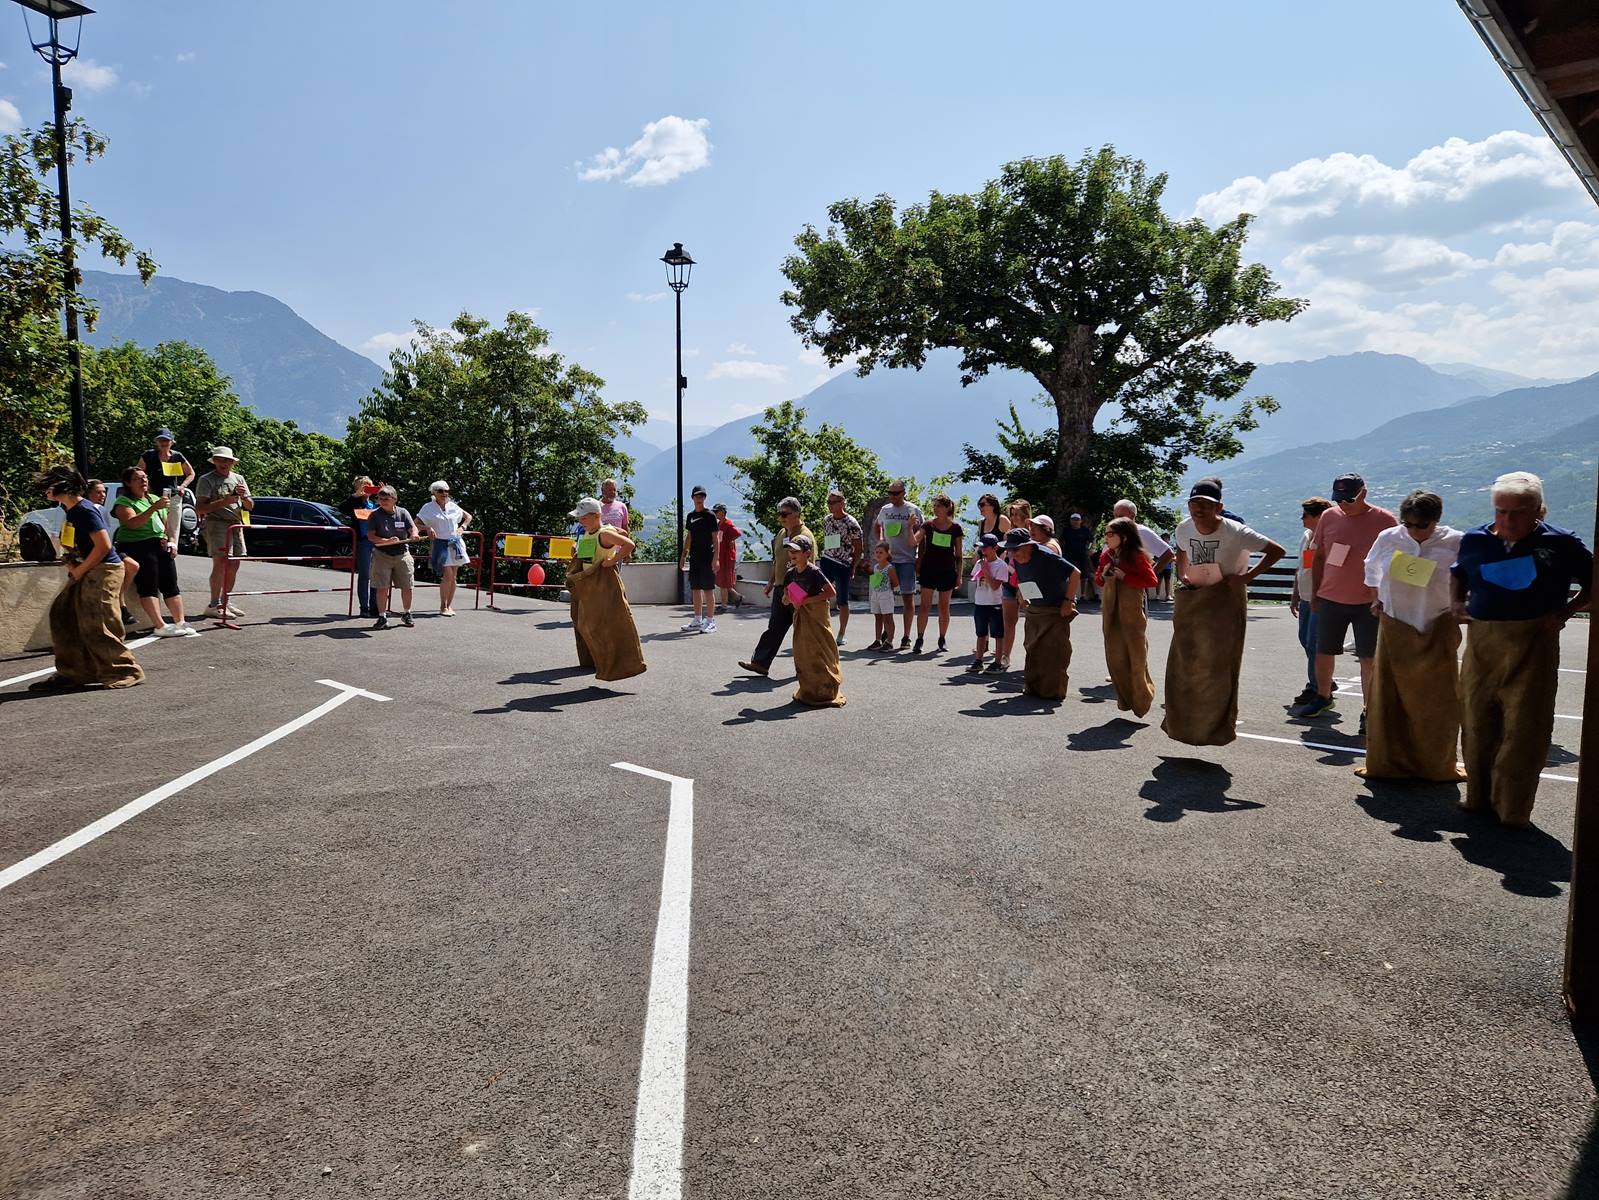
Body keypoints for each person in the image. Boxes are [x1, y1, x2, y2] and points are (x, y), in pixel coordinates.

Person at [1452, 471, 1591, 827]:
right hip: (1483, 640)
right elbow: (1458, 572)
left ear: (1538, 511)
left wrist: (1565, 612)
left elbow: (1593, 583)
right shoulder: (1475, 539)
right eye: (1501, 511)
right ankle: (1477, 798)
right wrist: (1456, 604)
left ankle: (1512, 809)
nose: (1507, 519)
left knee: (1525, 726)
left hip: (1534, 641)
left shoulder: (1562, 543)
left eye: (1517, 512)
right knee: (1477, 719)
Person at [1162, 479, 1284, 746]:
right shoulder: (1184, 528)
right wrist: (1182, 573)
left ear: (1219, 507)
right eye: (1194, 504)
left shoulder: (1237, 532)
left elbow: (1277, 551)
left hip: (1226, 596)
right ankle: (1181, 724)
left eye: (1205, 504)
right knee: (1185, 660)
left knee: (1219, 665)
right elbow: (1180, 549)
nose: (1198, 510)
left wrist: (1248, 577)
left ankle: (1215, 728)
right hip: (1195, 596)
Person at [1355, 490, 1465, 782]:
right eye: (1409, 524)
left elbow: (1471, 577)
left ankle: (1435, 764)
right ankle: (1387, 761)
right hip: (1396, 624)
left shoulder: (1456, 541)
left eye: (1421, 525)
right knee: (1390, 698)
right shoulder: (1390, 537)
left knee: (1436, 701)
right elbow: (1370, 568)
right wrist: (1375, 598)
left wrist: (1461, 606)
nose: (1414, 530)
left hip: (1436, 626)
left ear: (1436, 521)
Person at [1292, 473, 1397, 729]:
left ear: (1364, 493)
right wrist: (1314, 593)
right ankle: (1323, 696)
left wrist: (1387, 598)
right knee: (1323, 651)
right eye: (1338, 498)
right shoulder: (1329, 516)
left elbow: (1394, 560)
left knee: (1368, 658)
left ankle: (1369, 709)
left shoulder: (1385, 520)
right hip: (1330, 597)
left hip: (1368, 602)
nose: (1343, 504)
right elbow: (1318, 557)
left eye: (1348, 498)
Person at [28, 466, 143, 690]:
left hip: (103, 570)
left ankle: (124, 670)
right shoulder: (72, 510)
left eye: (50, 485)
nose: (46, 491)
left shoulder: (85, 510)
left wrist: (79, 571)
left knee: (98, 622)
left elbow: (104, 545)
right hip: (88, 569)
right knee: (64, 616)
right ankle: (75, 672)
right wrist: (72, 561)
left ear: (62, 487)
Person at [111, 466, 198, 637]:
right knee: (148, 585)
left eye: (145, 477)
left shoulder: (154, 498)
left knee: (171, 584)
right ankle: (159, 625)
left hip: (160, 543)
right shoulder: (123, 502)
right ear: (128, 483)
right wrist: (153, 508)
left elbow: (166, 524)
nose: (143, 481)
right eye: (137, 478)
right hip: (138, 545)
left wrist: (172, 542)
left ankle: (180, 621)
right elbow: (132, 523)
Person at [566, 496, 646, 681]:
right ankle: (596, 660)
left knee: (607, 625)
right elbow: (591, 552)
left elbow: (628, 544)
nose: (580, 521)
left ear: (596, 516)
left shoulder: (603, 533)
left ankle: (620, 665)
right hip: (588, 582)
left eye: (583, 517)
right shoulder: (589, 531)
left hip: (603, 583)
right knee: (584, 623)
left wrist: (613, 560)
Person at [738, 497, 816, 677]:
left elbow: (808, 566)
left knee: (802, 630)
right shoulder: (782, 534)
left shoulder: (804, 536)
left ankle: (807, 668)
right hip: (782, 586)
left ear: (796, 514)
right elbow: (778, 561)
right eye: (779, 514)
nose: (780, 518)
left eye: (784, 514)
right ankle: (760, 663)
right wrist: (771, 582)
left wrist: (796, 592)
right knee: (775, 627)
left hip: (798, 588)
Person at [1004, 527, 1078, 701]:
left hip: (1055, 609)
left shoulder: (1047, 556)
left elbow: (1075, 573)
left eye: (1017, 549)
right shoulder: (1017, 559)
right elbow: (1022, 578)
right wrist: (1023, 596)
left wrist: (1068, 601)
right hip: (1035, 609)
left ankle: (1054, 691)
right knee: (1032, 649)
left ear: (1028, 546)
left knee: (1054, 651)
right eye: (1011, 550)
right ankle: (1033, 688)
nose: (1014, 554)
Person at [1095, 516, 1158, 717]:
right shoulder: (1106, 555)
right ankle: (1125, 698)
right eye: (1105, 534)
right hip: (1111, 612)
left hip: (1132, 613)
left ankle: (1142, 697)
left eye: (1110, 534)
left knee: (1137, 656)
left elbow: (1151, 580)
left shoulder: (1137, 555)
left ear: (1124, 536)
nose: (1106, 538)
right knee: (1115, 656)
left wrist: (1126, 577)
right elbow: (1099, 580)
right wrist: (1105, 574)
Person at [782, 533, 846, 707]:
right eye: (790, 551)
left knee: (822, 650)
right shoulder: (789, 574)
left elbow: (831, 592)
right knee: (804, 652)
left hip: (817, 616)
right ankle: (809, 690)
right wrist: (787, 599)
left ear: (807, 553)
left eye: (796, 551)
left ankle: (826, 690)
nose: (792, 554)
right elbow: (786, 595)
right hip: (801, 616)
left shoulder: (814, 572)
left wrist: (807, 601)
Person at [193, 447, 254, 619]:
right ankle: (214, 604)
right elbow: (200, 508)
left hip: (236, 523)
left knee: (234, 564)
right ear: (214, 461)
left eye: (226, 460)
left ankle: (225, 600)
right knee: (220, 562)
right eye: (219, 460)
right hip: (216, 523)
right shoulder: (206, 479)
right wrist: (224, 502)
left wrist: (244, 497)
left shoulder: (238, 479)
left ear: (233, 463)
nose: (223, 463)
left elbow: (250, 506)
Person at [1288, 497, 1334, 708]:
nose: (1301, 518)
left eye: (1305, 514)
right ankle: (1324, 680)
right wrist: (1295, 594)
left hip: (1322, 599)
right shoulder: (1307, 536)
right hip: (1306, 596)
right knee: (1305, 641)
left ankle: (1317, 688)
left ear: (1319, 516)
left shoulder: (1328, 539)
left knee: (1315, 644)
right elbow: (1303, 568)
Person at [873, 482, 923, 649]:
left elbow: (921, 533)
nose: (892, 496)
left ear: (904, 493)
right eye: (890, 493)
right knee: (885, 596)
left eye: (896, 493)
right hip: (888, 561)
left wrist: (919, 558)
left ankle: (907, 636)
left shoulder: (913, 510)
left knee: (908, 598)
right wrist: (879, 540)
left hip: (907, 559)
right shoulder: (885, 510)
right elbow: (877, 525)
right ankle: (888, 633)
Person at [913, 494, 963, 654]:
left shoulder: (956, 528)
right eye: (934, 506)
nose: (935, 509)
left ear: (947, 508)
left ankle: (942, 638)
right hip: (929, 570)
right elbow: (914, 541)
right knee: (925, 606)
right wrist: (909, 527)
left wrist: (959, 576)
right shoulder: (928, 525)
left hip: (947, 571)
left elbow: (959, 555)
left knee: (944, 607)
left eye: (939, 506)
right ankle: (919, 639)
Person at [416, 480, 473, 616]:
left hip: (455, 543)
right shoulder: (428, 507)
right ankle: (443, 606)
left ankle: (449, 605)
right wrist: (427, 528)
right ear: (434, 492)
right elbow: (415, 524)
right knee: (447, 575)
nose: (444, 493)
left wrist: (463, 527)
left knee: (453, 576)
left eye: (446, 491)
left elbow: (468, 517)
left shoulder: (453, 506)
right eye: (441, 491)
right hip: (440, 543)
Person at [367, 485, 420, 630]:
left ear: (394, 499)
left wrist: (414, 534)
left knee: (407, 586)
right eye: (380, 498)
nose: (383, 501)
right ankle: (382, 616)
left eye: (386, 499)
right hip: (382, 555)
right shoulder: (374, 515)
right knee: (382, 587)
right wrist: (386, 541)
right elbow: (371, 536)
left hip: (402, 554)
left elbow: (413, 528)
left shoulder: (403, 512)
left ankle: (407, 613)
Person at [819, 490, 863, 646]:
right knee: (820, 593)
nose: (830, 506)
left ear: (842, 503)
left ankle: (841, 633)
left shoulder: (851, 523)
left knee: (842, 600)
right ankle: (822, 628)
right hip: (827, 560)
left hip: (843, 564)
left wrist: (853, 566)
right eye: (828, 502)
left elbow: (858, 547)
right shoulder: (827, 520)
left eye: (833, 502)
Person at [966, 532, 1012, 672]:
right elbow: (974, 577)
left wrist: (986, 571)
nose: (983, 551)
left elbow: (995, 586)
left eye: (986, 548)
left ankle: (997, 662)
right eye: (981, 548)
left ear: (995, 548)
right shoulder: (980, 563)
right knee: (981, 634)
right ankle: (978, 660)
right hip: (980, 603)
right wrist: (982, 568)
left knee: (998, 634)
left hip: (995, 604)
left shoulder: (1001, 565)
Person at [337, 476, 379, 618]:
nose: (367, 489)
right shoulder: (355, 503)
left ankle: (375, 606)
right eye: (363, 486)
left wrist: (385, 492)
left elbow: (391, 511)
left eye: (369, 486)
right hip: (363, 542)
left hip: (377, 542)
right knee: (365, 574)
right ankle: (364, 607)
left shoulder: (375, 503)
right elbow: (341, 508)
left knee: (376, 575)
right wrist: (355, 495)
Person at [998, 499, 1033, 671]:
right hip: (1009, 582)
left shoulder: (1033, 535)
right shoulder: (1008, 536)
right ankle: (1005, 656)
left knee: (1032, 620)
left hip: (1026, 582)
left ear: (1027, 516)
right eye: (1012, 515)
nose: (1014, 518)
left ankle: (1032, 656)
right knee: (1009, 620)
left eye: (1017, 514)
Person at [680, 485, 720, 632]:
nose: (699, 498)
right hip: (695, 557)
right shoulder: (690, 516)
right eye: (697, 496)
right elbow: (689, 537)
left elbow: (716, 539)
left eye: (702, 496)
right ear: (692, 498)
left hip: (707, 557)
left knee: (708, 589)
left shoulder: (710, 516)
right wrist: (684, 555)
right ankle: (697, 619)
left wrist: (716, 558)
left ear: (705, 498)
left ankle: (710, 621)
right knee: (695, 588)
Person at [865, 541, 901, 652]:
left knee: (888, 618)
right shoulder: (876, 567)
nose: (878, 554)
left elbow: (895, 583)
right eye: (876, 552)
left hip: (886, 595)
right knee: (878, 617)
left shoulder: (889, 568)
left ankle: (889, 641)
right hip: (876, 594)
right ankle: (877, 640)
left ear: (887, 554)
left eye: (881, 552)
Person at [138, 428, 195, 494]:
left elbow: (191, 473)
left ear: (172, 442)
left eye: (166, 440)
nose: (164, 443)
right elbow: (137, 474)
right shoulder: (148, 455)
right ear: (156, 442)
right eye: (160, 440)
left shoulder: (177, 456)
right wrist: (145, 486)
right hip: (152, 495)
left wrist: (183, 486)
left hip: (174, 496)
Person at [713, 503, 744, 610]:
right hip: (721, 556)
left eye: (717, 511)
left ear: (722, 512)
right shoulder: (719, 524)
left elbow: (738, 533)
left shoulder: (728, 523)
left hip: (727, 557)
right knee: (723, 582)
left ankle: (724, 605)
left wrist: (732, 540)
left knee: (723, 583)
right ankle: (737, 597)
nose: (715, 513)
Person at [1060, 513, 1096, 601]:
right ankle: (1070, 594)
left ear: (1081, 521)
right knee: (1068, 574)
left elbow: (1092, 540)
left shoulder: (1085, 530)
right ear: (1070, 521)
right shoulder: (1066, 530)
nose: (1075, 521)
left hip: (1082, 555)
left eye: (1077, 519)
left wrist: (1091, 549)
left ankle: (1083, 595)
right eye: (1073, 519)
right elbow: (1061, 541)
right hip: (1068, 555)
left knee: (1083, 575)